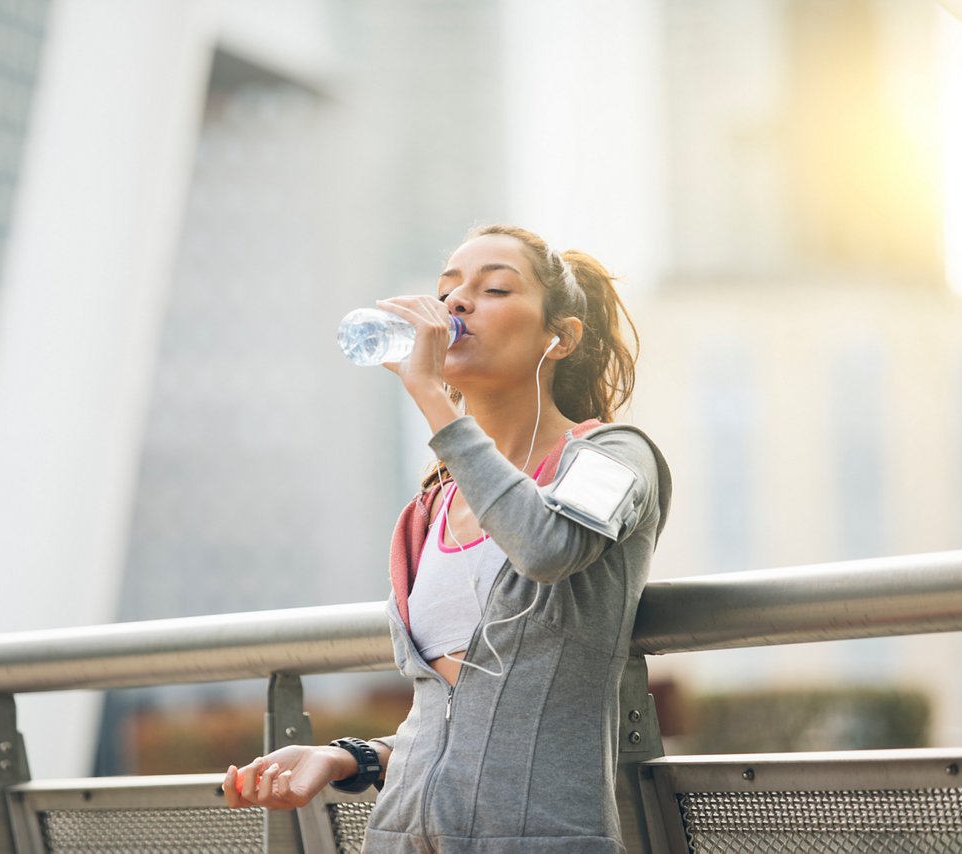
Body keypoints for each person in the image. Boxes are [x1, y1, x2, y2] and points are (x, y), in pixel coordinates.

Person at [224, 224, 672, 853]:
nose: (456, 303)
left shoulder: (614, 457)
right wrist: (347, 758)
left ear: (561, 338)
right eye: (447, 289)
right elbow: (455, 710)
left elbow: (546, 548)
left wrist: (433, 397)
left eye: (493, 289)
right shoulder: (431, 507)